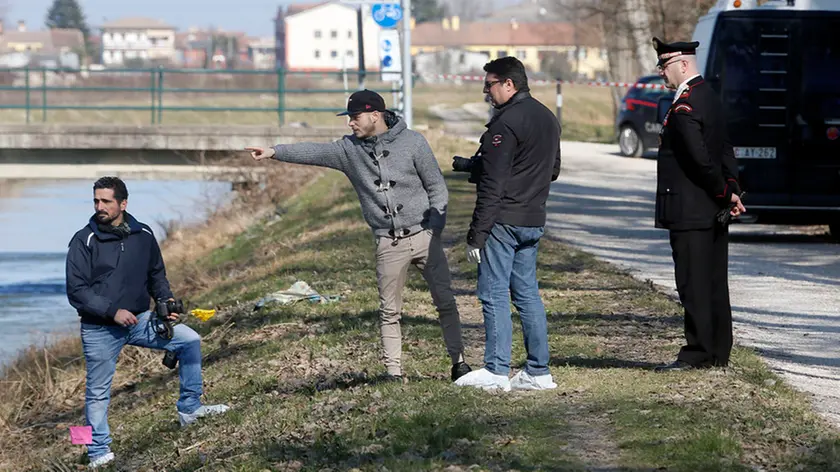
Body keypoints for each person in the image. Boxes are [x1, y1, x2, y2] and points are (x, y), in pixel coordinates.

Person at [245, 90, 472, 382]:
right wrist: (275, 152)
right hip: (388, 242)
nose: (350, 123)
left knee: (445, 302)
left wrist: (435, 227)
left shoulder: (414, 142)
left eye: (354, 117)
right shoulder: (348, 151)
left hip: (424, 235)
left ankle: (460, 364)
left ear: (374, 115)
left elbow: (437, 187)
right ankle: (393, 373)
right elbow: (314, 152)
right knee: (389, 310)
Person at [66, 177, 229, 468]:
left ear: (123, 204)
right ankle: (97, 453)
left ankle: (190, 410)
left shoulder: (143, 234)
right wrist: (112, 311)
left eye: (106, 201)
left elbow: (157, 275)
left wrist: (165, 304)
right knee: (97, 392)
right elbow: (76, 291)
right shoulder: (84, 240)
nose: (99, 207)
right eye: (96, 201)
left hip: (141, 321)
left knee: (190, 340)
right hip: (99, 328)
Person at [453, 57, 562, 392]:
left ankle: (497, 370)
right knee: (527, 293)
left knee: (493, 291)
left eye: (490, 84)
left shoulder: (507, 122)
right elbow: (552, 170)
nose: (486, 91)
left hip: (504, 220)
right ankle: (538, 372)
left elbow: (494, 185)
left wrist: (476, 235)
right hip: (533, 218)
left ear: (509, 84)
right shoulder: (547, 117)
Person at [651, 37, 746, 372]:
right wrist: (731, 189)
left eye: (664, 65)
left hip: (691, 209)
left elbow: (701, 160)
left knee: (693, 283)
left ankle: (698, 352)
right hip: (712, 209)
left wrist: (723, 192)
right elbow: (725, 149)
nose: (661, 72)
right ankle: (719, 351)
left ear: (683, 64)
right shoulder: (709, 96)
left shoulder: (685, 106)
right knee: (713, 281)